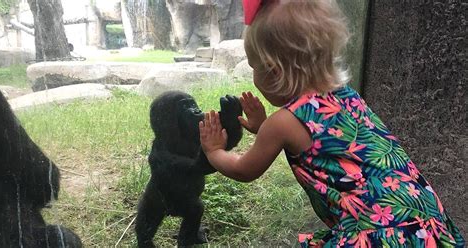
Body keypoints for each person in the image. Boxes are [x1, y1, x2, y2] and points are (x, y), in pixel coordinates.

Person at [199, 0, 465, 247]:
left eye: (254, 67)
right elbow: (324, 142)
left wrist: (214, 152)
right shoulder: (347, 95)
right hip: (423, 218)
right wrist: (265, 129)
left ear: (274, 70)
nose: (254, 75)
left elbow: (245, 170)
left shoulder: (283, 124)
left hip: (378, 235)